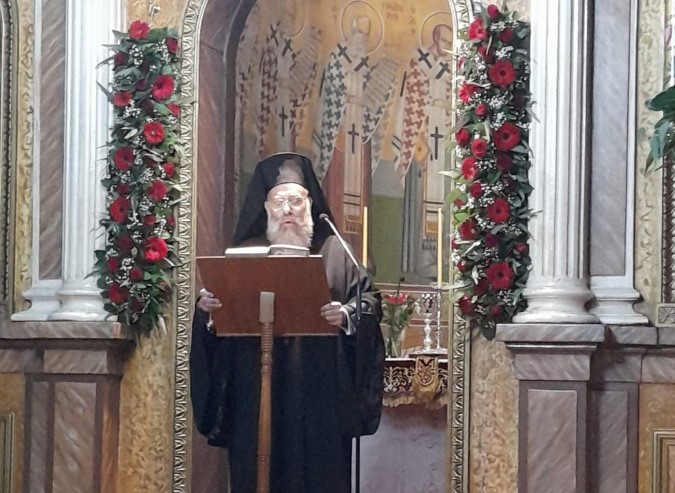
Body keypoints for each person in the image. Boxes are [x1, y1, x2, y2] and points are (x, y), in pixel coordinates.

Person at [190, 152, 385, 493]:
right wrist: (208, 311)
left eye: (296, 200)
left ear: (309, 205)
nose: (288, 210)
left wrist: (346, 314)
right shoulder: (244, 255)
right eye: (279, 202)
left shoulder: (336, 253)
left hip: (319, 397)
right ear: (266, 209)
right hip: (253, 393)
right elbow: (218, 330)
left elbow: (369, 301)